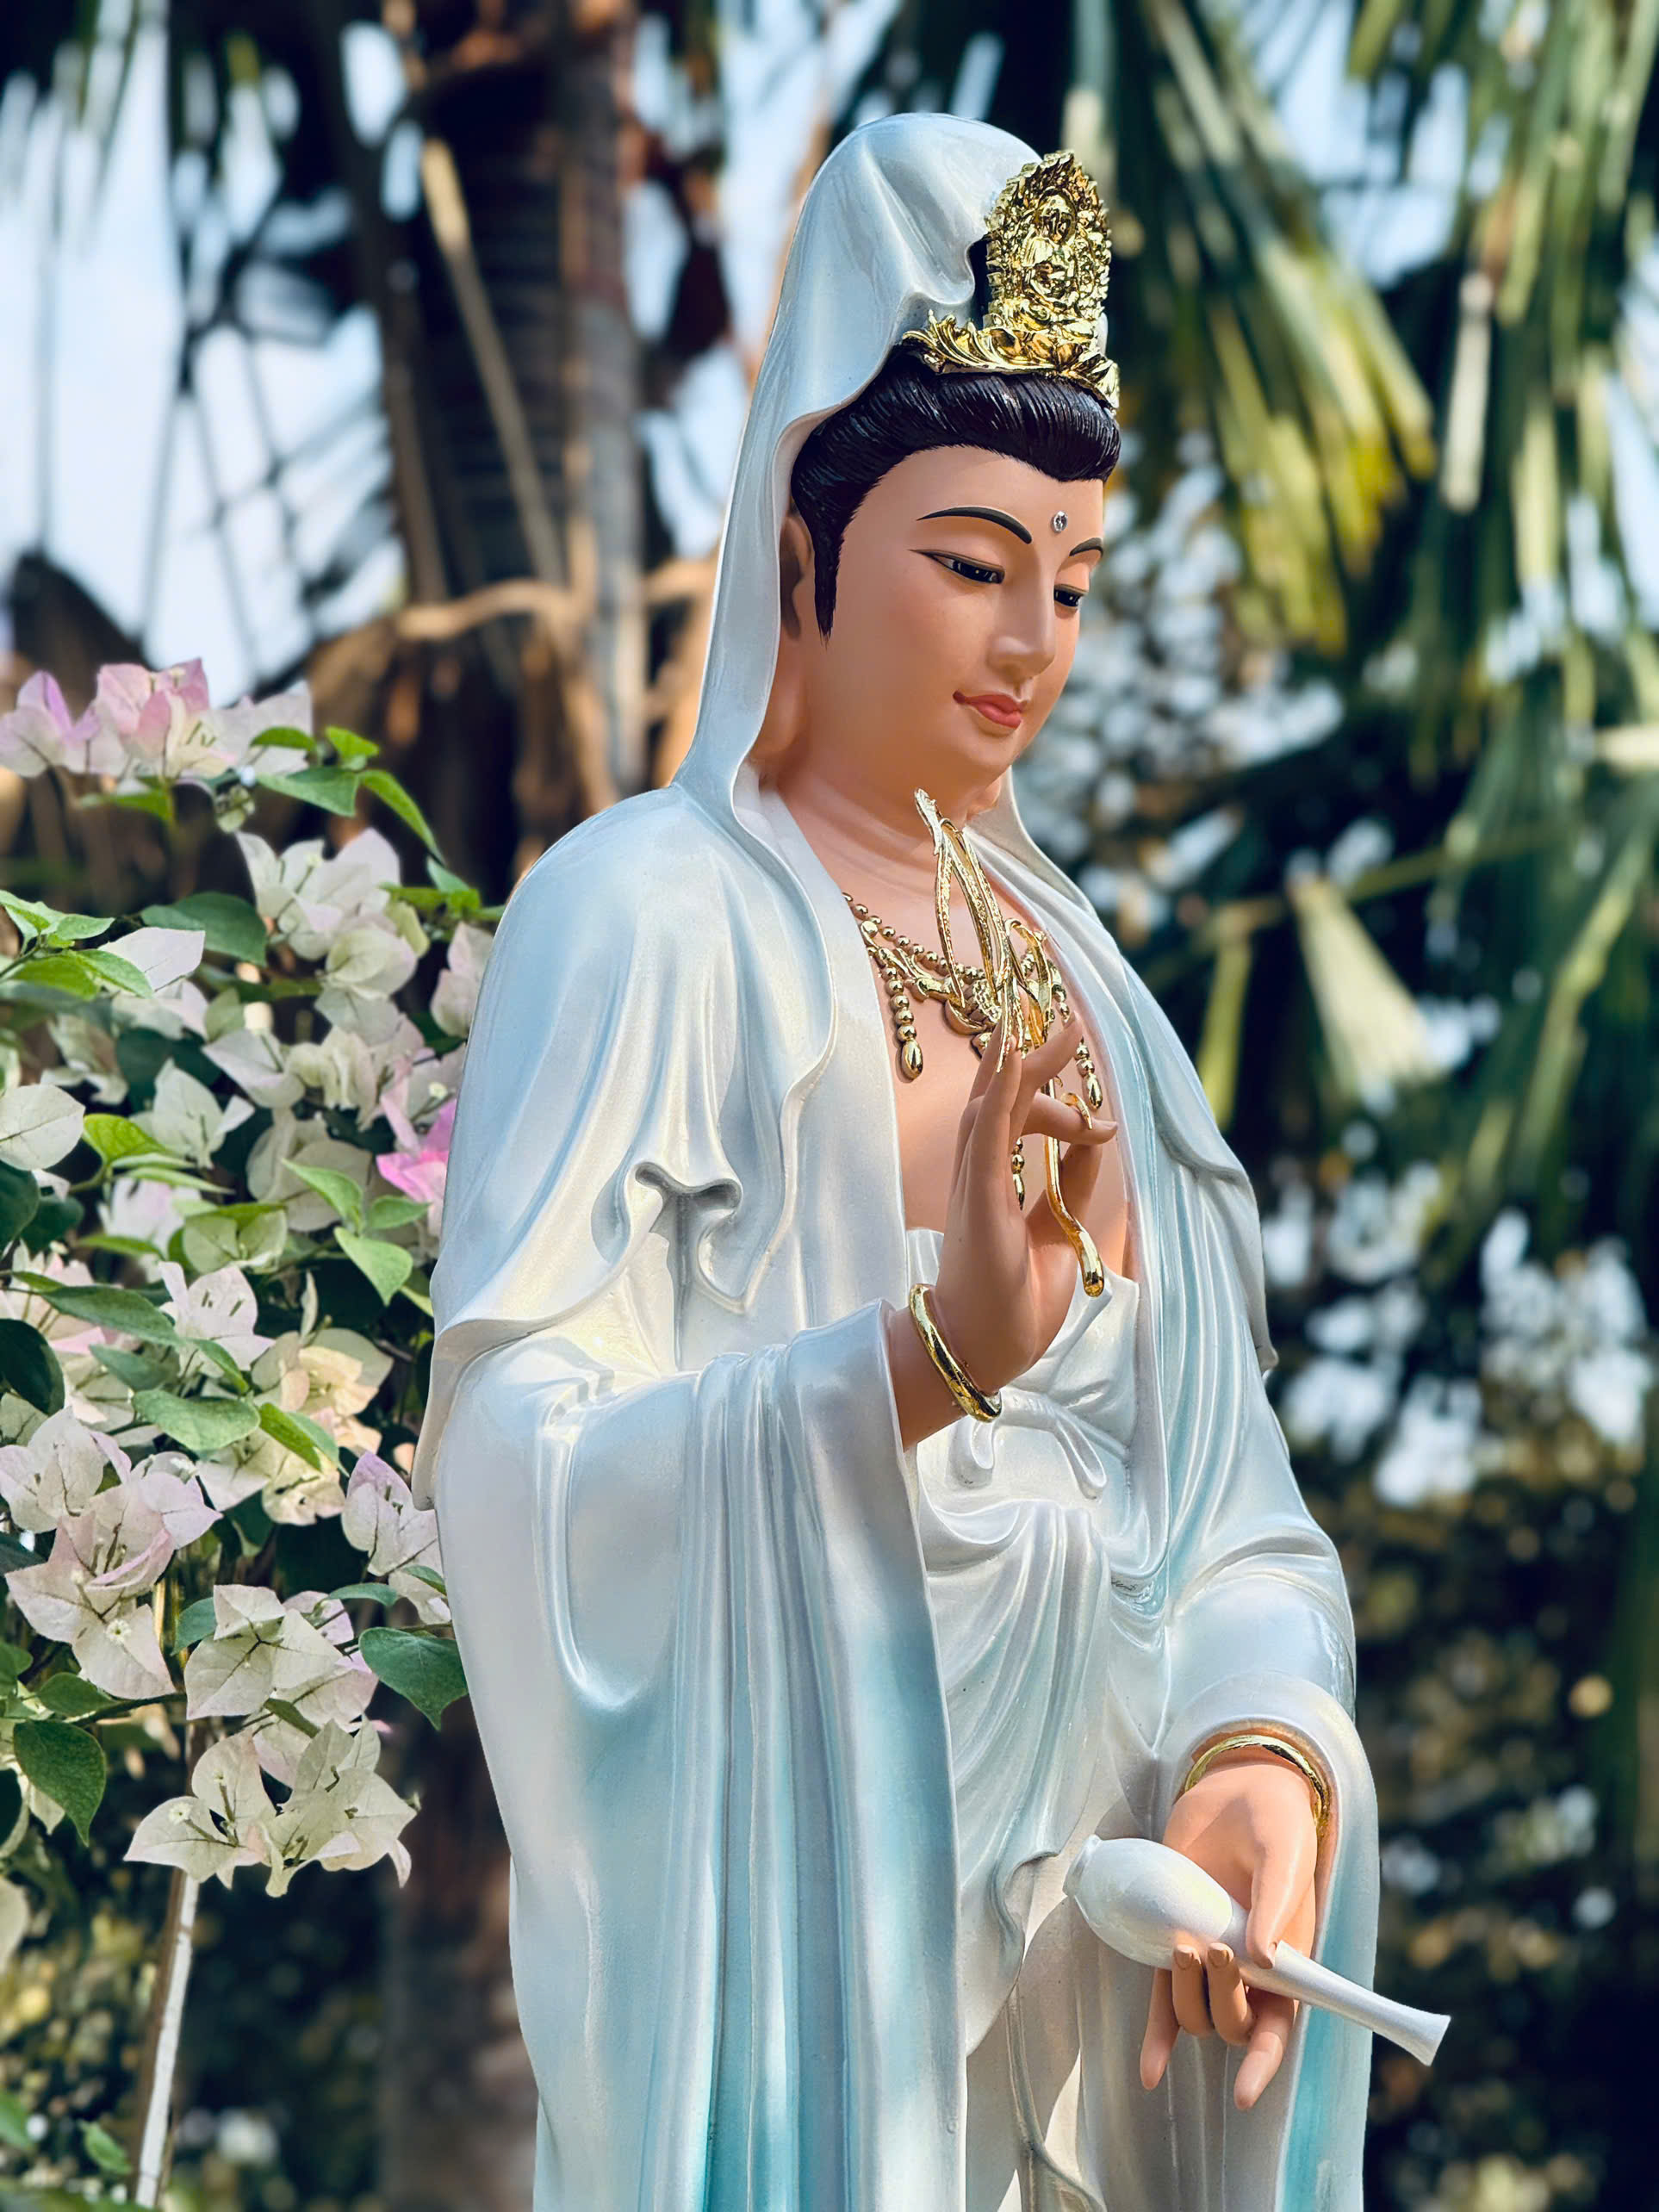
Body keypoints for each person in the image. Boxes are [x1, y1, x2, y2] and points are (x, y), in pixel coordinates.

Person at [413, 113, 1379, 2212]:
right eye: (967, 562)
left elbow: (1229, 1522)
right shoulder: (647, 915)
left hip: (1099, 2011)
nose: (1028, 641)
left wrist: (1256, 1752)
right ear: (804, 547)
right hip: (809, 1994)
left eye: (1072, 580)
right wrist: (922, 1365)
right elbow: (516, 1478)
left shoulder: (1101, 1001)